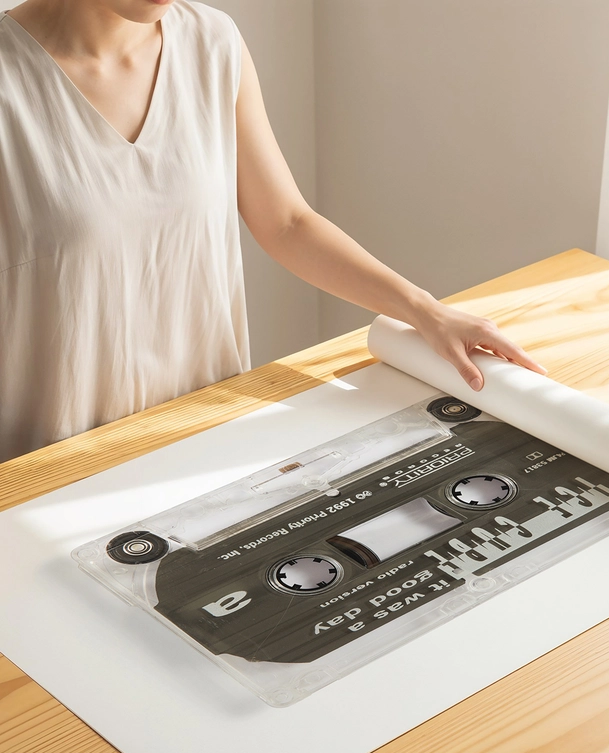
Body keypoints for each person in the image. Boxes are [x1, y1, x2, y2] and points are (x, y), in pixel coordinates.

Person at [0, 0, 546, 463]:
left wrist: (425, 310)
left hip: (205, 433)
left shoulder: (211, 43)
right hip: (47, 462)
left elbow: (286, 222)